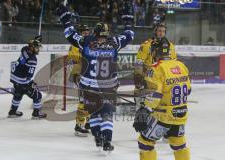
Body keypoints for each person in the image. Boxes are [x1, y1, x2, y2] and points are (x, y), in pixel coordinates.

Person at [56, 3, 134, 151]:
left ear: (95, 33)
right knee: (107, 114)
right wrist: (128, 20)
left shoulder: (86, 42)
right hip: (107, 86)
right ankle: (106, 141)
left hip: (88, 85)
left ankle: (98, 137)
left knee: (94, 113)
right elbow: (130, 34)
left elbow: (69, 33)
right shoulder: (114, 43)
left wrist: (66, 18)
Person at [133, 38, 191, 160]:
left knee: (145, 143)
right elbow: (188, 90)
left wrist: (145, 110)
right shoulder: (181, 65)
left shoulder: (156, 68)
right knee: (179, 144)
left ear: (154, 52)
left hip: (163, 116)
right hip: (181, 114)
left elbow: (155, 94)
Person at [134, 23, 177, 105]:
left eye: (163, 31)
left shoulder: (170, 46)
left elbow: (174, 63)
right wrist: (138, 81)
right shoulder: (146, 45)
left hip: (165, 79)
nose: (161, 33)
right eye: (159, 31)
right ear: (155, 32)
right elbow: (138, 64)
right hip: (149, 79)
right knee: (143, 106)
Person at [8, 35, 47, 119]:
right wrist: (31, 83)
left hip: (15, 79)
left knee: (18, 94)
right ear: (32, 48)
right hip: (22, 81)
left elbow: (26, 46)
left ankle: (13, 112)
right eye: (37, 47)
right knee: (37, 95)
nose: (38, 49)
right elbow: (29, 75)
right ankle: (36, 114)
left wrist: (35, 40)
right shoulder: (32, 59)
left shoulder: (24, 50)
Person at [67, 24, 91, 137]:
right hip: (80, 75)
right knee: (83, 101)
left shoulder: (90, 43)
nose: (86, 33)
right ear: (79, 33)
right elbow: (73, 62)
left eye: (87, 31)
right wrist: (77, 75)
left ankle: (88, 123)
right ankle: (79, 125)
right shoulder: (75, 45)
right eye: (84, 31)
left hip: (89, 76)